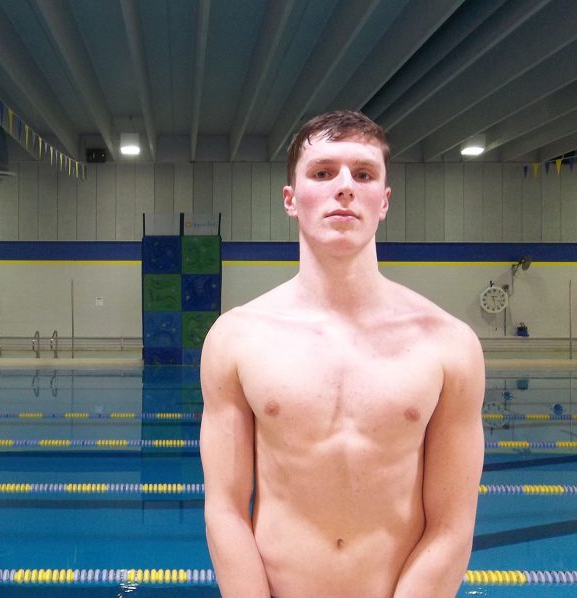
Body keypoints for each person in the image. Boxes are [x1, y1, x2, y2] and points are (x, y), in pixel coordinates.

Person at [199, 110, 485, 598]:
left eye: (365, 173)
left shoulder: (448, 345)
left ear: (384, 200)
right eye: (323, 172)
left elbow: (452, 524)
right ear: (291, 199)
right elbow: (225, 507)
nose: (345, 187)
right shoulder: (236, 338)